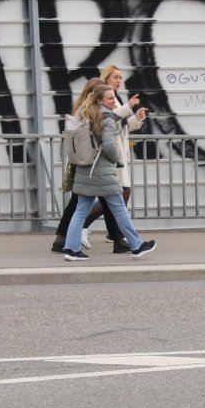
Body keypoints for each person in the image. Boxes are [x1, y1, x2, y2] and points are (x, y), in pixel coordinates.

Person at [62, 85, 158, 261]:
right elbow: (108, 145)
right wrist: (117, 159)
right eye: (110, 98)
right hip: (103, 171)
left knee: (80, 210)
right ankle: (137, 246)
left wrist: (129, 110)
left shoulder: (86, 114)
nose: (114, 101)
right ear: (100, 100)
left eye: (114, 97)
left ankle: (71, 248)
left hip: (85, 169)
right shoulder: (106, 118)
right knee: (119, 208)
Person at [51, 79, 121, 253]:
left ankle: (64, 239)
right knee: (84, 204)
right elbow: (102, 134)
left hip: (84, 162)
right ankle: (65, 240)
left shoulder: (83, 109)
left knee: (85, 203)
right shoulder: (91, 111)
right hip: (92, 164)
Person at [99, 63, 147, 252]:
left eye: (120, 77)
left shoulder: (116, 98)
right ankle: (118, 236)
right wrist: (128, 107)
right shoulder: (104, 98)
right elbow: (109, 119)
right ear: (106, 78)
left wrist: (137, 118)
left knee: (114, 196)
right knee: (120, 193)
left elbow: (122, 126)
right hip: (111, 153)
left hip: (118, 152)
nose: (119, 80)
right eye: (115, 77)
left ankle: (117, 236)